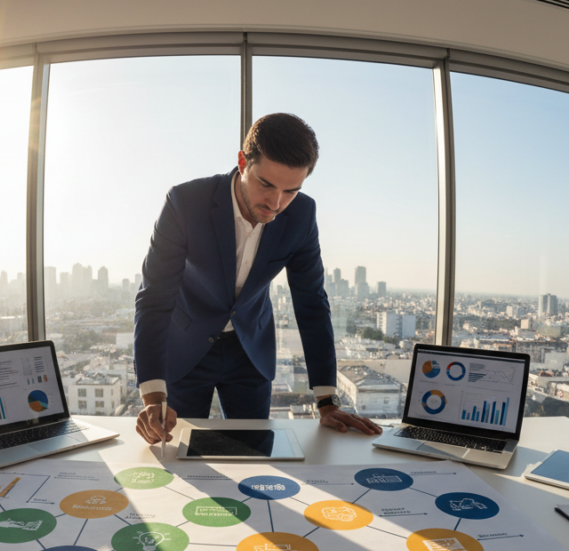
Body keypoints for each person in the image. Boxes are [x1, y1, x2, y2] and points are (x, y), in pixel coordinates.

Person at [133, 113, 382, 445]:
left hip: (250, 351)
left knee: (254, 456)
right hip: (185, 349)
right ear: (242, 162)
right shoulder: (185, 203)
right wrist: (151, 396)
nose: (276, 204)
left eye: (290, 190)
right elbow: (154, 299)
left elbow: (312, 304)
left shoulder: (302, 215)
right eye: (266, 184)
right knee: (177, 453)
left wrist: (326, 400)